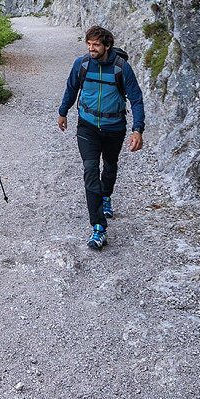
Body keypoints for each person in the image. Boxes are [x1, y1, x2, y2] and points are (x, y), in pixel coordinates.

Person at [57, 25, 145, 251]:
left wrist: (138, 129)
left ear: (107, 45)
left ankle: (106, 196)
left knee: (110, 165)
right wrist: (63, 112)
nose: (91, 48)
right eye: (88, 44)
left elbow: (136, 99)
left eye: (96, 45)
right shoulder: (82, 64)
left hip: (114, 127)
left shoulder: (121, 68)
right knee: (90, 170)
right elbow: (71, 88)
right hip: (87, 126)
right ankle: (98, 227)